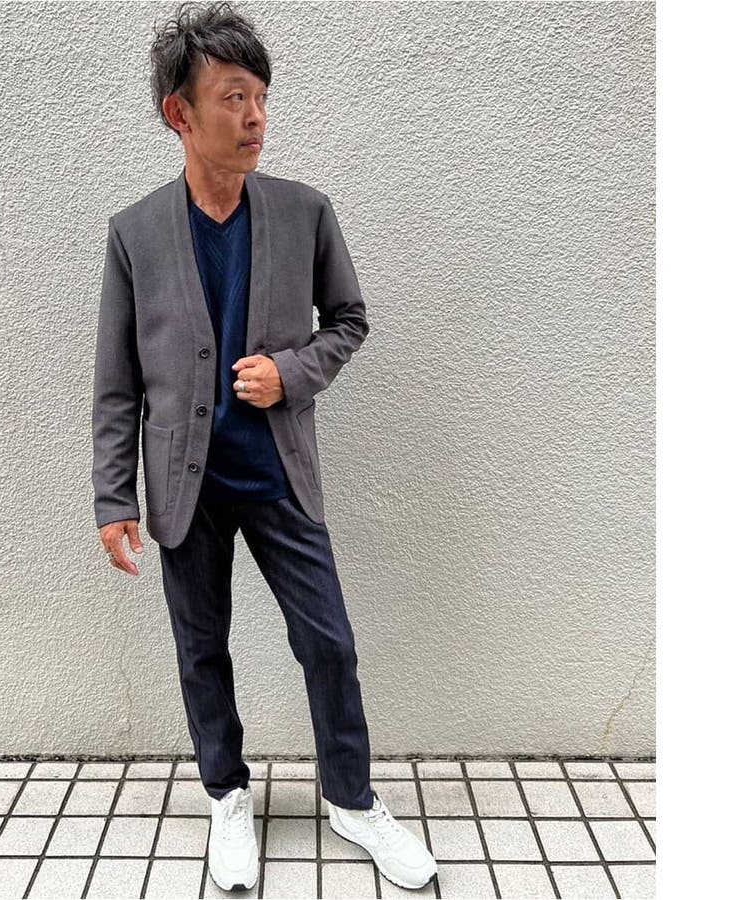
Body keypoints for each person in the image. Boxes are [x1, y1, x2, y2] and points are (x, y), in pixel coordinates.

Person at [91, 1, 437, 892]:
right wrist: (113, 497)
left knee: (329, 642)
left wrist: (292, 372)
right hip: (184, 485)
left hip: (280, 473)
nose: (255, 118)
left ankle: (352, 799)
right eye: (234, 98)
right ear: (180, 112)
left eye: (261, 98)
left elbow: (349, 320)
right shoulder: (135, 234)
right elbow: (118, 382)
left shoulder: (304, 212)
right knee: (201, 648)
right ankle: (226, 795)